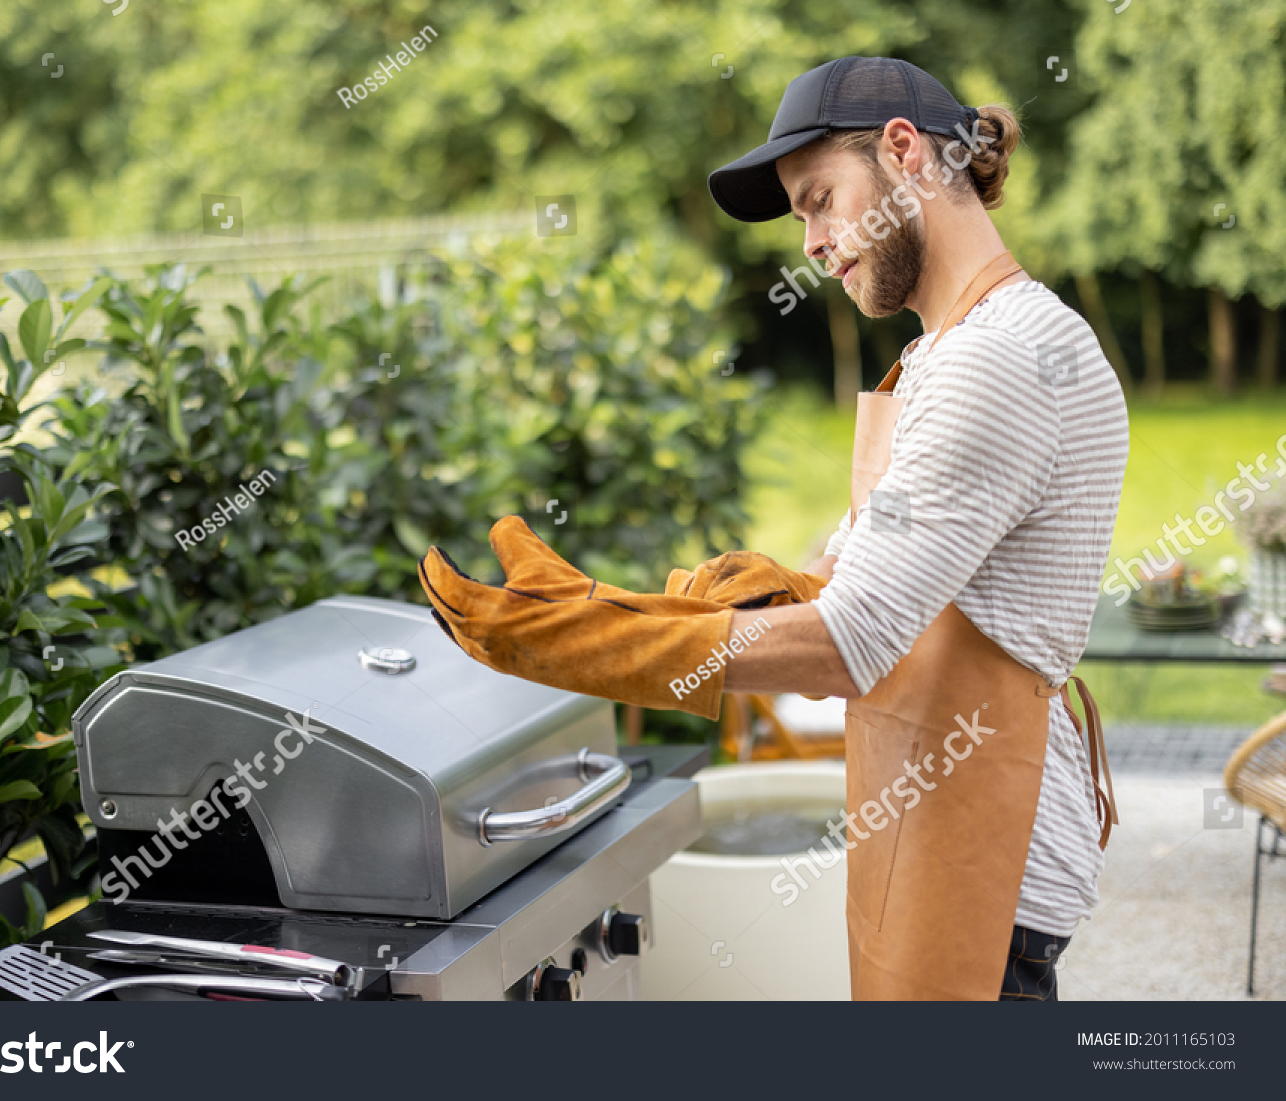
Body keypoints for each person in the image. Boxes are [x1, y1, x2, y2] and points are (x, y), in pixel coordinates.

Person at [420, 56, 1125, 1001]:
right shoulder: (938, 356)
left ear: (906, 153)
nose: (816, 243)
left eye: (821, 199)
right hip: (934, 828)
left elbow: (850, 642)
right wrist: (626, 602)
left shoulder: (995, 362)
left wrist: (594, 645)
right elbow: (845, 582)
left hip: (986, 874)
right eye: (804, 216)